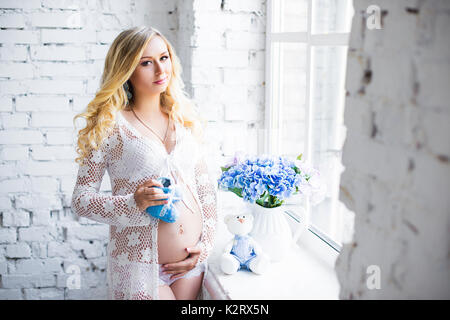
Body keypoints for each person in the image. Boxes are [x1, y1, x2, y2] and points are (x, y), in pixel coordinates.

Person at [71, 26, 218, 300]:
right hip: (138, 265)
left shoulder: (183, 118)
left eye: (164, 58)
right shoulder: (108, 126)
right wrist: (133, 202)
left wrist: (206, 244)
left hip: (190, 264)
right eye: (146, 63)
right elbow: (81, 199)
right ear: (127, 69)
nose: (161, 70)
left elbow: (205, 188)